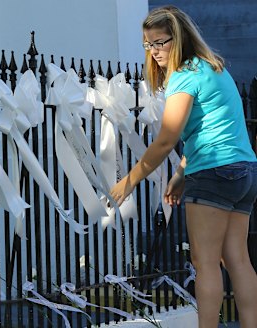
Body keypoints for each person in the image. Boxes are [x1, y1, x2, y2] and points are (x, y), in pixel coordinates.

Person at [109, 5, 257, 328]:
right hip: (243, 171)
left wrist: (129, 181)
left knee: (204, 263)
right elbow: (208, 129)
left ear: (177, 38)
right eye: (148, 44)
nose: (154, 51)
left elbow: (166, 140)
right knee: (238, 259)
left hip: (214, 174)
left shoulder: (184, 76)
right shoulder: (212, 69)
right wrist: (180, 175)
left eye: (160, 42)